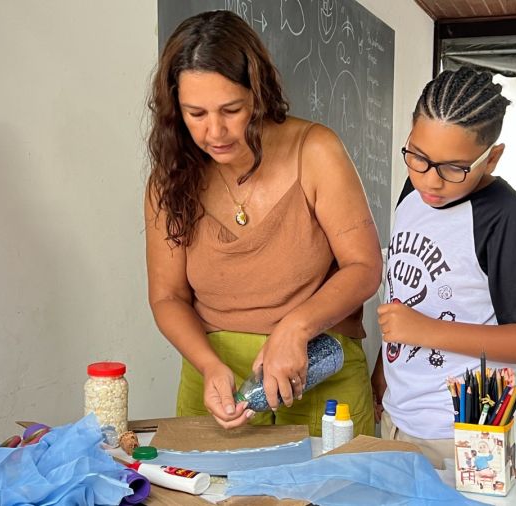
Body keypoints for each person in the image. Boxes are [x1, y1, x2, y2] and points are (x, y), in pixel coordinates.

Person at [144, 10, 381, 438]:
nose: (215, 132)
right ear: (175, 109)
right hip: (215, 376)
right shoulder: (171, 176)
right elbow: (167, 296)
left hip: (319, 363)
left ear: (258, 94)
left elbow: (364, 267)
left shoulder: (316, 150)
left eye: (231, 109)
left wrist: (296, 327)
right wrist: (208, 365)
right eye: (196, 114)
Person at [372, 67, 516, 469]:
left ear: (491, 158)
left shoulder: (509, 218)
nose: (431, 181)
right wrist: (383, 368)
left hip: (466, 434)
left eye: (454, 168)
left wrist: (426, 331)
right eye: (418, 157)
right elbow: (405, 297)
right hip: (399, 415)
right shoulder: (415, 192)